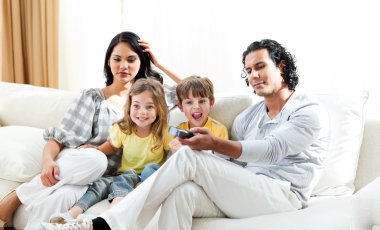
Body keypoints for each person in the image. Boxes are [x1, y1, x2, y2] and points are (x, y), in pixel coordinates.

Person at [41, 39, 330, 230]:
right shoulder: (248, 117)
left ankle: (107, 224)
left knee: (191, 156)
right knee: (183, 193)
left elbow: (272, 149)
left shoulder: (308, 111)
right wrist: (209, 154)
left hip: (283, 195)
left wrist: (212, 144)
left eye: (260, 67)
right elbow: (232, 167)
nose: (253, 75)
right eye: (248, 70)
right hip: (246, 190)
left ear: (280, 66)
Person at [0, 31, 180, 229]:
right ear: (108, 62)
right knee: (96, 159)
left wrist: (159, 63)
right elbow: (59, 137)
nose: (123, 66)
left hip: (100, 180)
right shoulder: (93, 97)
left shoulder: (151, 98)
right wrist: (48, 162)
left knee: (61, 198)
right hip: (81, 163)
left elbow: (194, 91)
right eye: (117, 59)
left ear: (142, 62)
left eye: (131, 59)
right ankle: (16, 197)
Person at [48, 78, 175, 223]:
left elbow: (174, 153)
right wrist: (97, 150)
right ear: (129, 107)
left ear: (159, 109)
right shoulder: (124, 129)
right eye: (136, 106)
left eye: (149, 107)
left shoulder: (164, 132)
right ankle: (71, 214)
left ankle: (110, 215)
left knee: (132, 177)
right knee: (100, 185)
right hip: (125, 173)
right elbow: (112, 146)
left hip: (146, 177)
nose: (142, 112)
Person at [141, 75, 229, 179]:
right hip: (179, 172)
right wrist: (174, 153)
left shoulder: (219, 130)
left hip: (203, 173)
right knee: (149, 169)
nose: (196, 106)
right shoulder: (180, 129)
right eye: (189, 102)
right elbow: (171, 164)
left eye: (202, 101)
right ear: (180, 107)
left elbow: (222, 164)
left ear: (211, 103)